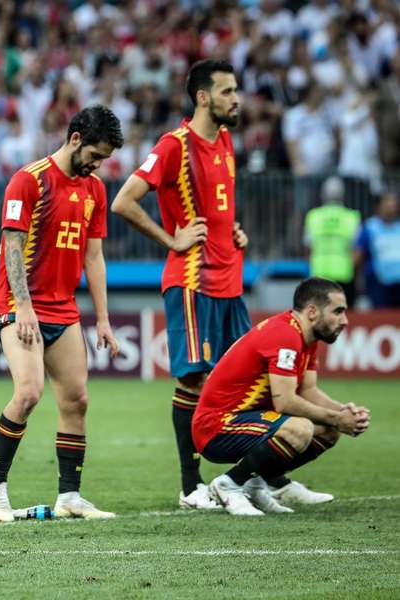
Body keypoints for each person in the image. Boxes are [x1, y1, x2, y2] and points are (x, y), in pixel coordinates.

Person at [111, 59, 251, 510]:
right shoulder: (174, 145)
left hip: (230, 280)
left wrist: (234, 228)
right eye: (228, 91)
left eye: (237, 90)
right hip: (192, 281)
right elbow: (124, 201)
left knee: (250, 380)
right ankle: (191, 486)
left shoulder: (226, 139)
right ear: (203, 97)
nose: (237, 99)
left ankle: (262, 477)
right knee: (194, 380)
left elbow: (219, 203)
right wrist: (171, 238)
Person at [0, 105, 124, 523]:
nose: (98, 164)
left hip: (64, 309)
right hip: (19, 305)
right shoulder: (29, 180)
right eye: (96, 154)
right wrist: (22, 305)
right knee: (28, 392)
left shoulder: (94, 188)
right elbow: (11, 245)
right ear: (75, 139)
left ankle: (70, 497)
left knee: (76, 400)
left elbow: (94, 257)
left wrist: (104, 318)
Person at [195, 278, 370, 516]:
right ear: (312, 312)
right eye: (338, 312)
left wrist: (344, 413)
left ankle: (255, 485)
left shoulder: (305, 337)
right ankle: (228, 484)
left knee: (329, 430)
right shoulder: (285, 335)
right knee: (300, 429)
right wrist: (336, 417)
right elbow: (285, 401)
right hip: (217, 426)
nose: (345, 320)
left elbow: (308, 391)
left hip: (247, 421)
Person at [304, 177, 361, 308]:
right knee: (343, 315)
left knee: (320, 315)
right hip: (344, 275)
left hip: (319, 274)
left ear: (323, 194)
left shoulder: (313, 216)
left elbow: (307, 248)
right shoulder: (351, 217)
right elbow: (357, 250)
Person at [355, 191, 400, 308]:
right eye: (388, 206)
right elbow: (359, 253)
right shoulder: (370, 227)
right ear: (379, 207)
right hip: (378, 283)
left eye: (393, 206)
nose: (391, 210)